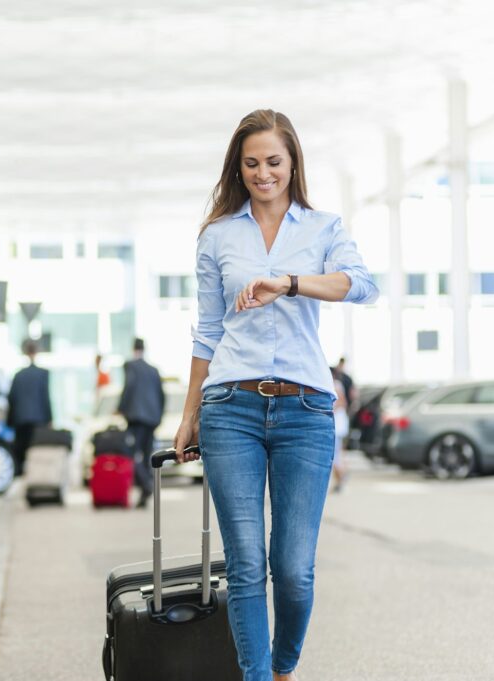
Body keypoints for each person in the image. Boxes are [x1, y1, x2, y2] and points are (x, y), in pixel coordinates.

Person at [172, 109, 378, 681]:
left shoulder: (323, 228)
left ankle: (284, 670)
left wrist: (288, 282)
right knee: (245, 565)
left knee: (293, 570)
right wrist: (189, 415)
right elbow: (208, 329)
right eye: (252, 163)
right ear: (239, 168)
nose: (264, 173)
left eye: (274, 162)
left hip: (305, 409)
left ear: (293, 164)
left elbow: (362, 286)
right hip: (229, 407)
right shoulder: (217, 236)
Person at [118, 338, 165, 508]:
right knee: (146, 455)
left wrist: (121, 407)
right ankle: (144, 494)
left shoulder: (130, 365)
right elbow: (161, 395)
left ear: (133, 348)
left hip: (136, 417)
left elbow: (128, 387)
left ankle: (146, 484)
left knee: (132, 454)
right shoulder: (153, 370)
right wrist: (158, 417)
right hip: (152, 419)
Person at [6, 340, 52, 477]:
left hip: (21, 420)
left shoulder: (18, 375)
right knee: (36, 451)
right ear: (36, 352)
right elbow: (45, 398)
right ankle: (35, 476)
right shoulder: (43, 374)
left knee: (21, 451)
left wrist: (10, 421)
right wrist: (49, 419)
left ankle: (21, 475)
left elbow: (11, 398)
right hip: (38, 421)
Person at [330, 367, 349, 493]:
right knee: (336, 454)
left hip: (337, 426)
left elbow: (342, 402)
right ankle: (340, 479)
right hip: (336, 425)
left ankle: (342, 476)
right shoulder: (333, 384)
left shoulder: (336, 385)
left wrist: (330, 410)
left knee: (334, 455)